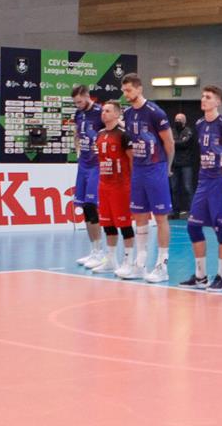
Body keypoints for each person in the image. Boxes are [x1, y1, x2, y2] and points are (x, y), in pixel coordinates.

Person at [178, 86, 222, 291]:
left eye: (208, 97)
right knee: (193, 226)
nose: (203, 99)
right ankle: (200, 276)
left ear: (218, 102)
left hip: (221, 181)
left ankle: (221, 277)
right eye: (203, 96)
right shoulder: (199, 124)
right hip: (204, 180)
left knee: (221, 229)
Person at [120, 73, 175, 282]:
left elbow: (169, 143)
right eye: (124, 91)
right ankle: (140, 264)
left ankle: (162, 265)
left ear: (139, 89)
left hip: (155, 168)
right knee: (139, 216)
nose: (126, 94)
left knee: (160, 217)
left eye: (129, 90)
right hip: (139, 170)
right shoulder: (127, 113)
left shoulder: (155, 112)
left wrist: (167, 167)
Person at [92, 100, 135, 274]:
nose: (104, 113)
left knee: (124, 224)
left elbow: (132, 160)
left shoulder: (124, 135)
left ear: (117, 114)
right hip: (104, 185)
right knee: (107, 224)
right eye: (103, 110)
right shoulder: (100, 134)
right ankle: (111, 260)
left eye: (108, 111)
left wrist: (133, 183)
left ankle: (129, 261)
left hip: (121, 186)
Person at [70, 85, 105, 269]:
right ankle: (93, 250)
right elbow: (77, 133)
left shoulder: (100, 112)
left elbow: (112, 131)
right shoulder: (79, 113)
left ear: (87, 96)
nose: (78, 105)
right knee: (84, 206)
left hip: (96, 165)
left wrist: (102, 148)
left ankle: (100, 252)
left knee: (92, 206)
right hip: (83, 164)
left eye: (80, 101)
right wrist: (77, 150)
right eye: (75, 103)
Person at [171, 112, 197, 217]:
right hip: (174, 164)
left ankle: (192, 212)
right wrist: (176, 142)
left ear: (184, 121)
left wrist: (174, 142)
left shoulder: (188, 131)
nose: (178, 121)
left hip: (186, 163)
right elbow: (168, 143)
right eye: (176, 120)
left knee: (188, 188)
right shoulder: (171, 131)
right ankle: (175, 211)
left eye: (180, 120)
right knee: (173, 188)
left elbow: (185, 143)